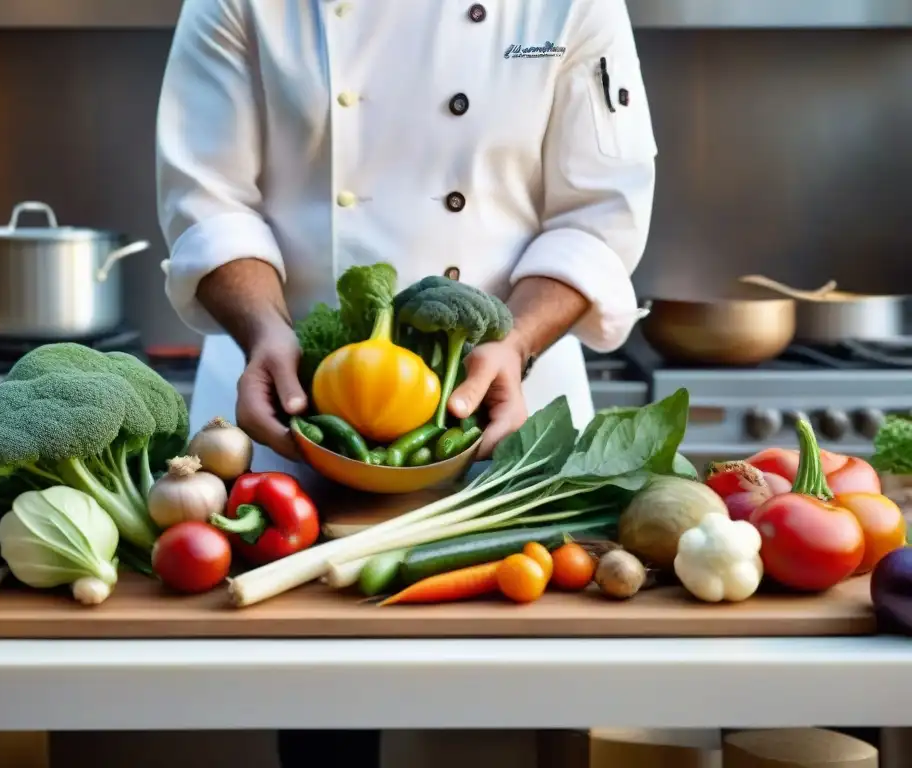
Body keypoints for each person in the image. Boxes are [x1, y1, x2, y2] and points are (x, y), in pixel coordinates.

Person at [156, 0, 656, 765]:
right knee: (322, 707)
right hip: (294, 418)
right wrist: (265, 332)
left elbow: (599, 215)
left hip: (505, 412)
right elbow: (209, 201)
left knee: (540, 704)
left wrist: (514, 344)